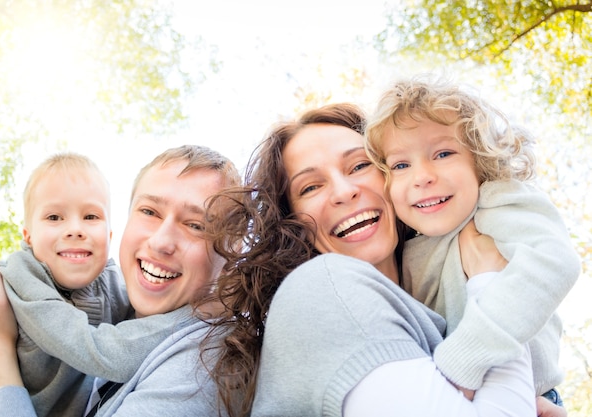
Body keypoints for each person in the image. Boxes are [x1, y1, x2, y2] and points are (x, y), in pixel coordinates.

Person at [201, 102, 537, 416]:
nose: (344, 191)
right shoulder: (324, 287)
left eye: (360, 165)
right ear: (292, 224)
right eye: (310, 187)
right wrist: (491, 285)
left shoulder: (433, 309)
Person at [0, 145, 241, 416]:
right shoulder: (22, 276)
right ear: (28, 236)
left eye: (196, 225)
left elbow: (111, 349)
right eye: (149, 211)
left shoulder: (197, 369)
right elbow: (105, 349)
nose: (160, 242)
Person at [364, 75, 581, 407]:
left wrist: (460, 362)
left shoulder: (496, 202)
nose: (422, 176)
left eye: (443, 153)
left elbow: (553, 263)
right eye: (402, 164)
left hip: (529, 397)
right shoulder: (407, 250)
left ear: (479, 161)